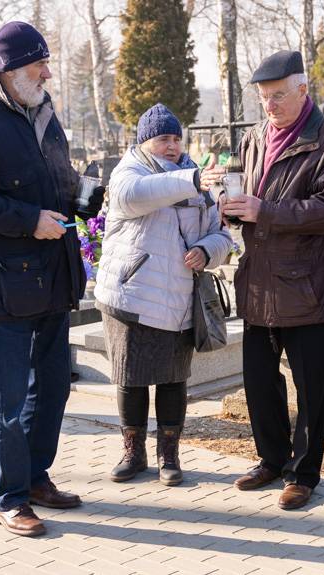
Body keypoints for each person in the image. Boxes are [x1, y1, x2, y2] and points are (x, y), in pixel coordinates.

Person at [0, 21, 104, 537]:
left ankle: (35, 476)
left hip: (51, 276)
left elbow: (55, 176)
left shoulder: (42, 111)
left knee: (52, 386)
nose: (47, 73)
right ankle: (9, 495)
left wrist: (85, 194)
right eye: (39, 66)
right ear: (9, 70)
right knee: (7, 397)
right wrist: (29, 220)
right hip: (3, 279)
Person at [201, 50, 324, 510]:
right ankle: (270, 459)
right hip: (259, 282)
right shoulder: (253, 139)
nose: (269, 105)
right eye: (264, 97)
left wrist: (263, 210)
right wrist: (223, 203)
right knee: (259, 382)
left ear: (303, 90)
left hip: (306, 285)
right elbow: (244, 196)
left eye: (278, 96)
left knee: (311, 389)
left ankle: (303, 474)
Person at [94, 104, 232, 486]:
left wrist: (207, 251)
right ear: (144, 142)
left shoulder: (198, 179)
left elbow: (221, 234)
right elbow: (135, 196)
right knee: (131, 378)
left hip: (178, 298)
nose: (171, 146)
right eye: (162, 139)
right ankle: (133, 452)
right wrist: (192, 179)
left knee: (174, 379)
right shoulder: (130, 171)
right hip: (131, 296)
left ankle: (169, 456)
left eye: (175, 138)